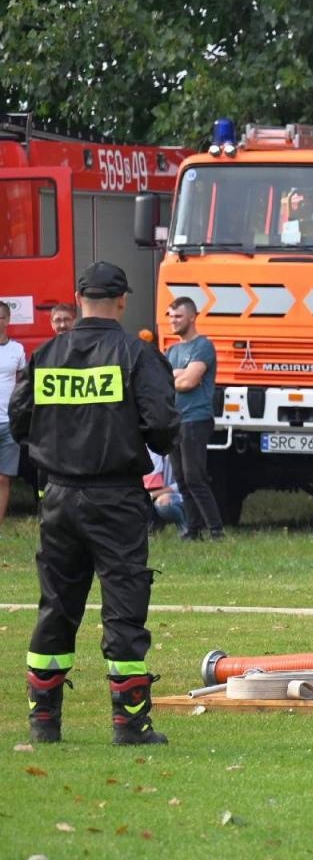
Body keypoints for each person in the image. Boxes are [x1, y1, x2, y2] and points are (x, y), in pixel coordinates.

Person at [10, 261, 180, 745]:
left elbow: (20, 421)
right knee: (123, 606)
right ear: (123, 301)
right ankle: (129, 723)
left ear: (77, 298)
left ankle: (43, 722)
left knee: (56, 606)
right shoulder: (135, 354)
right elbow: (164, 426)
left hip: (58, 496)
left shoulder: (47, 353)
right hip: (116, 497)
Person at [165, 297, 225, 540]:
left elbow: (189, 382)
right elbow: (162, 382)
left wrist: (176, 376)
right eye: (170, 316)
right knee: (181, 478)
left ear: (192, 317)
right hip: (175, 420)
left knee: (195, 477)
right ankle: (193, 529)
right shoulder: (171, 350)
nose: (173, 321)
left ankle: (216, 530)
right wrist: (178, 375)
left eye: (178, 316)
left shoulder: (203, 346)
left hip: (196, 419)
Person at [0, 300, 26, 521]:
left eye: (1, 317)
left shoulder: (17, 350)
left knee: (3, 478)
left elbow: (20, 384)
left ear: (8, 320)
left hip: (7, 422)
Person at [143, 449, 188, 538]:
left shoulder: (175, 455)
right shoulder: (150, 455)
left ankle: (185, 528)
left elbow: (181, 485)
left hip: (182, 495)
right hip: (155, 494)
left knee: (162, 503)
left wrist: (155, 493)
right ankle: (151, 530)